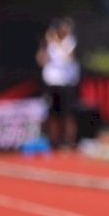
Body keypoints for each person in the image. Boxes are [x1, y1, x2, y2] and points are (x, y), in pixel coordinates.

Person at [37, 17, 80, 149]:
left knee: (67, 113)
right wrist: (45, 45)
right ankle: (53, 140)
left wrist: (55, 42)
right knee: (52, 113)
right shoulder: (49, 43)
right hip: (52, 83)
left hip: (66, 83)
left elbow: (68, 57)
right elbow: (41, 60)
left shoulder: (70, 42)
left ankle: (69, 140)